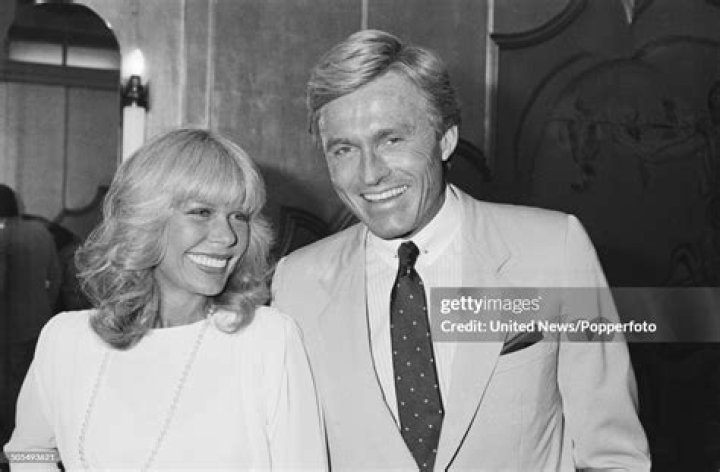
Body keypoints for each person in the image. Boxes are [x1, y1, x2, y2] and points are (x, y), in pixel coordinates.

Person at [272, 30, 651, 470]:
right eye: (343, 149)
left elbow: (613, 455)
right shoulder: (296, 283)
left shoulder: (555, 249)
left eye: (392, 140)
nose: (369, 174)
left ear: (446, 139)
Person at [4, 129, 326, 470]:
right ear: (146, 219)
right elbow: (28, 449)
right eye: (202, 212)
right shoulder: (67, 339)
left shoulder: (268, 339)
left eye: (239, 216)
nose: (227, 236)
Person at [0, 185, 61, 452]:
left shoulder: (3, 235)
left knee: (10, 388)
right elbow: (55, 276)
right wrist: (44, 306)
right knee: (37, 387)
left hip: (8, 327)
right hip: (40, 322)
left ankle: (11, 446)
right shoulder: (41, 232)